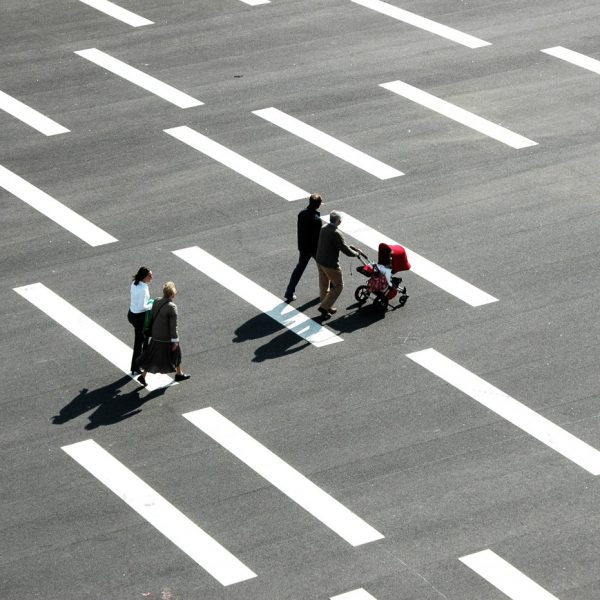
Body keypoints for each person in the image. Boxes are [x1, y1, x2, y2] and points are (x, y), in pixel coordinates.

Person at [137, 281, 190, 386]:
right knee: (177, 354)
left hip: (156, 335)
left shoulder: (156, 301)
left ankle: (143, 376)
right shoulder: (172, 307)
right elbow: (173, 326)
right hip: (166, 338)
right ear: (172, 294)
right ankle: (178, 374)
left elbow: (152, 316)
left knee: (151, 356)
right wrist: (175, 341)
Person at [315, 211, 361, 318]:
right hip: (330, 264)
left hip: (320, 260)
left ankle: (325, 305)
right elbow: (345, 249)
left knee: (324, 284)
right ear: (338, 221)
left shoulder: (323, 228)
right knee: (339, 285)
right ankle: (324, 307)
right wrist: (356, 253)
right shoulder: (336, 233)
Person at [284, 193, 323, 302]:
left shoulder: (302, 214)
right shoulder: (317, 220)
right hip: (314, 249)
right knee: (324, 268)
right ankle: (329, 287)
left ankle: (289, 292)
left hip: (303, 247)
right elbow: (318, 237)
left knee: (299, 269)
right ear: (318, 205)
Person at [127, 266, 153, 374]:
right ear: (144, 277)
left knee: (143, 338)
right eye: (150, 276)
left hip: (132, 314)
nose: (151, 277)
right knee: (139, 341)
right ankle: (136, 366)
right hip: (140, 318)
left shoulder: (135, 283)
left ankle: (142, 361)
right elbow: (143, 306)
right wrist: (152, 304)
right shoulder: (142, 289)